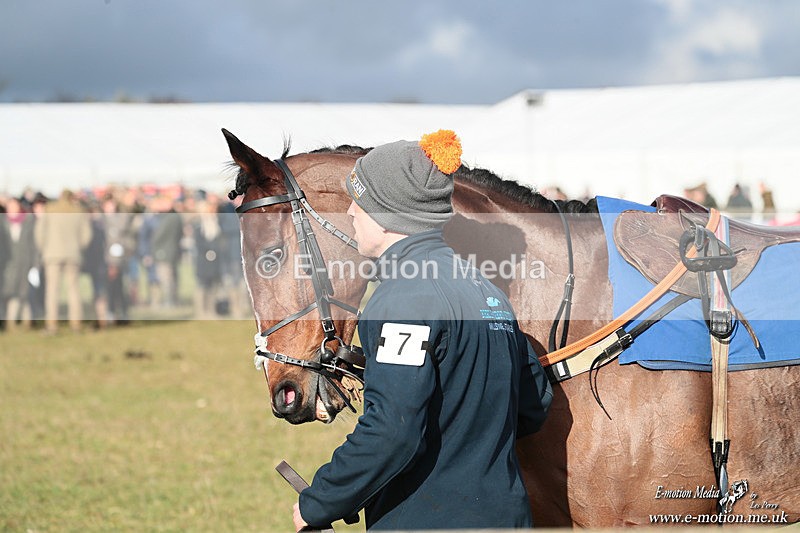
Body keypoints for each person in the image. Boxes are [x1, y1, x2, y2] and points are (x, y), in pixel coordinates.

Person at [292, 130, 553, 531]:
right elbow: (533, 406)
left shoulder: (401, 300)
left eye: (358, 202)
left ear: (386, 215)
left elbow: (392, 431)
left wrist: (320, 501)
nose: (350, 214)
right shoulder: (487, 289)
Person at [34, 189, 92, 333]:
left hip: (52, 254)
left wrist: (45, 248)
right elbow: (87, 235)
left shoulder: (50, 209)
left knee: (52, 291)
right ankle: (76, 324)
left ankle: (52, 325)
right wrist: (78, 247)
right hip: (73, 254)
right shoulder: (78, 211)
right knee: (74, 290)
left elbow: (40, 232)